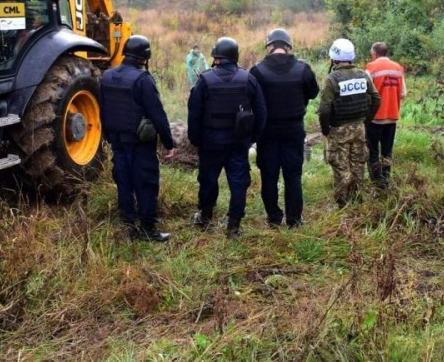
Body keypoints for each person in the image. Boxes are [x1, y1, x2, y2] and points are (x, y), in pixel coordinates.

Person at [188, 37, 267, 238]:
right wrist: (251, 138)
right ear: (235, 56)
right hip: (238, 141)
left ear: (216, 57)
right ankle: (233, 226)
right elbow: (261, 112)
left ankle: (205, 217)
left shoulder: (205, 80)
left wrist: (196, 139)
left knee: (207, 179)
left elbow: (194, 112)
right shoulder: (248, 79)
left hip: (211, 140)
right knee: (238, 183)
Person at [100, 35, 176, 242]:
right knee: (146, 183)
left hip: (117, 141)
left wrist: (108, 136)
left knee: (123, 182)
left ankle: (127, 225)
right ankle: (148, 230)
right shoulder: (143, 79)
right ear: (145, 56)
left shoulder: (106, 76)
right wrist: (169, 143)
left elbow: (102, 110)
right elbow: (157, 114)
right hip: (140, 144)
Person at [250, 28, 319, 227]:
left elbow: (251, 99)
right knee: (293, 175)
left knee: (269, 176)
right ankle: (294, 219)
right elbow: (313, 93)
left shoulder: (257, 70)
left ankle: (273, 218)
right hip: (294, 129)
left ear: (269, 46)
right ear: (288, 47)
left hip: (267, 131)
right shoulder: (303, 69)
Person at [319, 39, 381, 208]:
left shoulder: (332, 79)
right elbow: (376, 99)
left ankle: (342, 206)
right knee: (357, 165)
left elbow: (324, 109)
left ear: (334, 58)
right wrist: (366, 120)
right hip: (359, 128)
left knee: (341, 168)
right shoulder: (363, 75)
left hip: (338, 130)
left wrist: (326, 129)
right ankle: (358, 203)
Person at [364, 42, 406, 189]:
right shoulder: (398, 68)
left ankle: (376, 183)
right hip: (392, 116)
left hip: (375, 118)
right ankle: (386, 182)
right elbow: (403, 94)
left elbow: (365, 93)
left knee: (373, 151)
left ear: (374, 53)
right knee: (387, 151)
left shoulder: (371, 68)